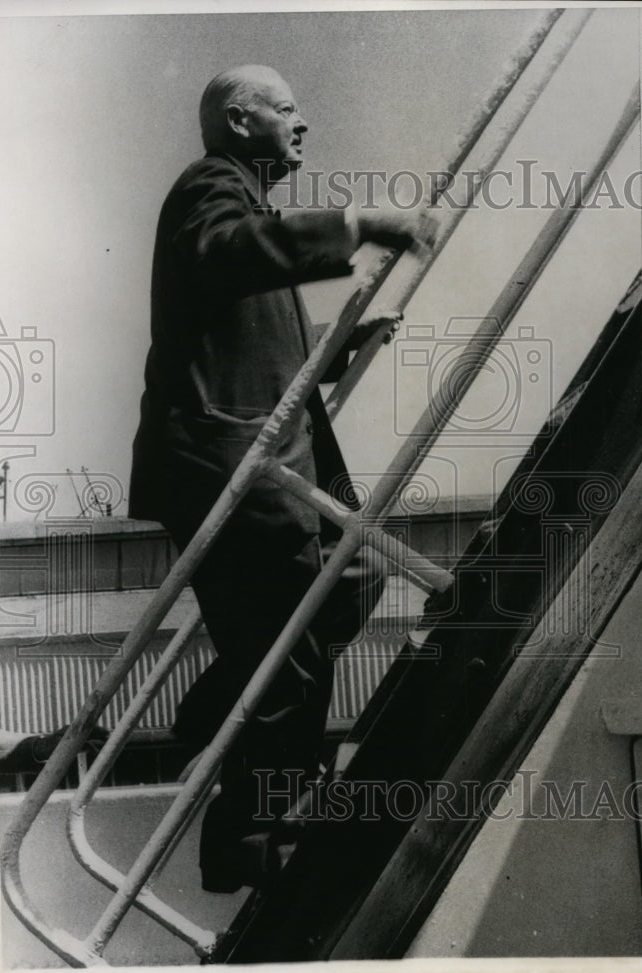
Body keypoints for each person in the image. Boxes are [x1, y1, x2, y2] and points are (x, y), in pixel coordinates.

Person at [129, 65, 435, 892]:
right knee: (288, 640)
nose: (303, 124)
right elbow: (221, 253)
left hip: (267, 462)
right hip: (226, 462)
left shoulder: (247, 212)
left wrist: (341, 346)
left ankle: (212, 718)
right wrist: (354, 222)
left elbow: (257, 348)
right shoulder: (209, 189)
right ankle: (252, 827)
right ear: (240, 121)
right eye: (287, 109)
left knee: (351, 577)